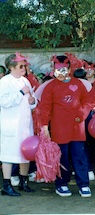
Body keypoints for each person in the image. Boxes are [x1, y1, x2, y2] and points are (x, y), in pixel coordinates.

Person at [39, 55, 92, 197]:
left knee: (79, 155)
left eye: (63, 69)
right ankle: (61, 184)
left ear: (69, 68)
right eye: (57, 69)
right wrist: (44, 126)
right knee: (61, 157)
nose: (60, 72)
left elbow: (88, 101)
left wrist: (82, 113)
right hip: (59, 128)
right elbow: (45, 108)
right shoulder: (50, 86)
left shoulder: (78, 84)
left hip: (77, 127)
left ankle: (84, 184)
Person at [0, 52, 37, 196]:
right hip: (12, 124)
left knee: (25, 153)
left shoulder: (25, 80)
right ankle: (6, 184)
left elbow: (31, 98)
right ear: (11, 67)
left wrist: (32, 101)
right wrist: (21, 93)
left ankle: (23, 182)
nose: (24, 68)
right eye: (21, 66)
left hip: (25, 124)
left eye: (25, 65)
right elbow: (3, 102)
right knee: (9, 154)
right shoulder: (4, 82)